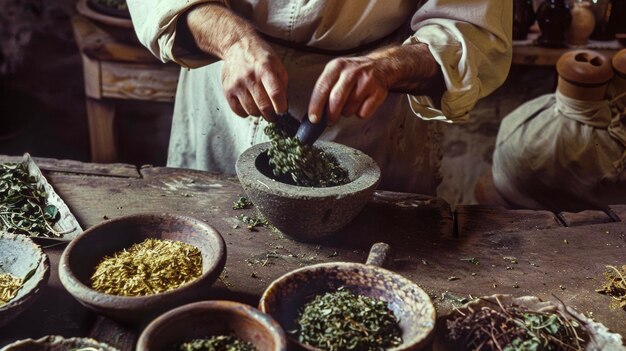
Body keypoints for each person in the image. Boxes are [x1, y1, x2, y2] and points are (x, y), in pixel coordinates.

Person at [126, 0, 512, 196]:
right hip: (225, 74)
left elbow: (473, 28)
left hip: (373, 107)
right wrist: (230, 40)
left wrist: (389, 66)